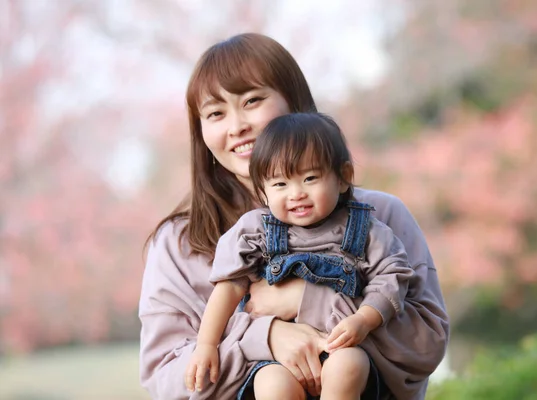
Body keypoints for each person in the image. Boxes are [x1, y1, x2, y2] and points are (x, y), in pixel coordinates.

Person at [139, 32, 449, 400]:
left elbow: (427, 344)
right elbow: (167, 380)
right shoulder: (178, 244)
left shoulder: (380, 216)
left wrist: (309, 301)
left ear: (295, 103)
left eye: (252, 100)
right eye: (216, 113)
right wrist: (264, 336)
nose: (236, 125)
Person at [185, 112, 416, 399]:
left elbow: (391, 280)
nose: (296, 193)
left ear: (343, 178)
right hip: (278, 358)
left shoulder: (367, 232)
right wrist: (206, 344)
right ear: (263, 191)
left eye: (309, 178)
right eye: (280, 184)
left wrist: (363, 321)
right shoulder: (257, 231)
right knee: (271, 384)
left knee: (348, 366)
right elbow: (229, 286)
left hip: (342, 347)